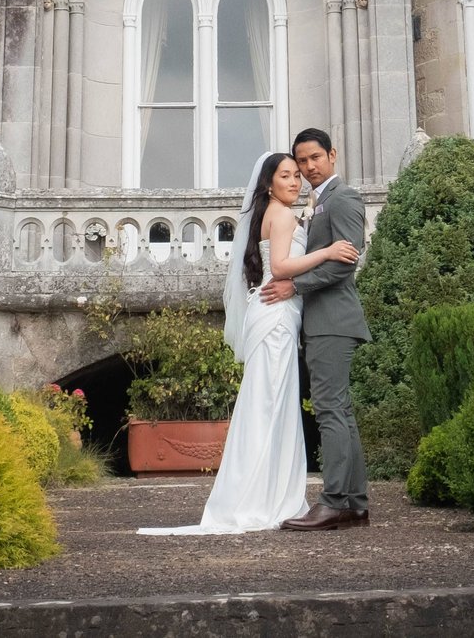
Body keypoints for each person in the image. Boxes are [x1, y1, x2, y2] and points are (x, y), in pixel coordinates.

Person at [138, 148, 360, 535]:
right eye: (287, 175)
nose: (295, 180)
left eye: (297, 175)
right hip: (276, 315)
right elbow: (280, 268)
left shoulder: (270, 213)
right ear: (269, 183)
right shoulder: (283, 214)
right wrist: (327, 249)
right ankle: (262, 496)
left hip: (274, 311)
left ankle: (265, 492)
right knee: (271, 404)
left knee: (266, 403)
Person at [266, 126, 371, 529]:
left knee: (329, 409)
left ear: (333, 155)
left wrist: (295, 286)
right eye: (302, 160)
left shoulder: (343, 198)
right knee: (339, 410)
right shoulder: (318, 202)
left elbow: (345, 263)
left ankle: (332, 502)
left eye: (315, 158)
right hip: (323, 320)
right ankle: (355, 505)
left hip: (333, 320)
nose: (309, 167)